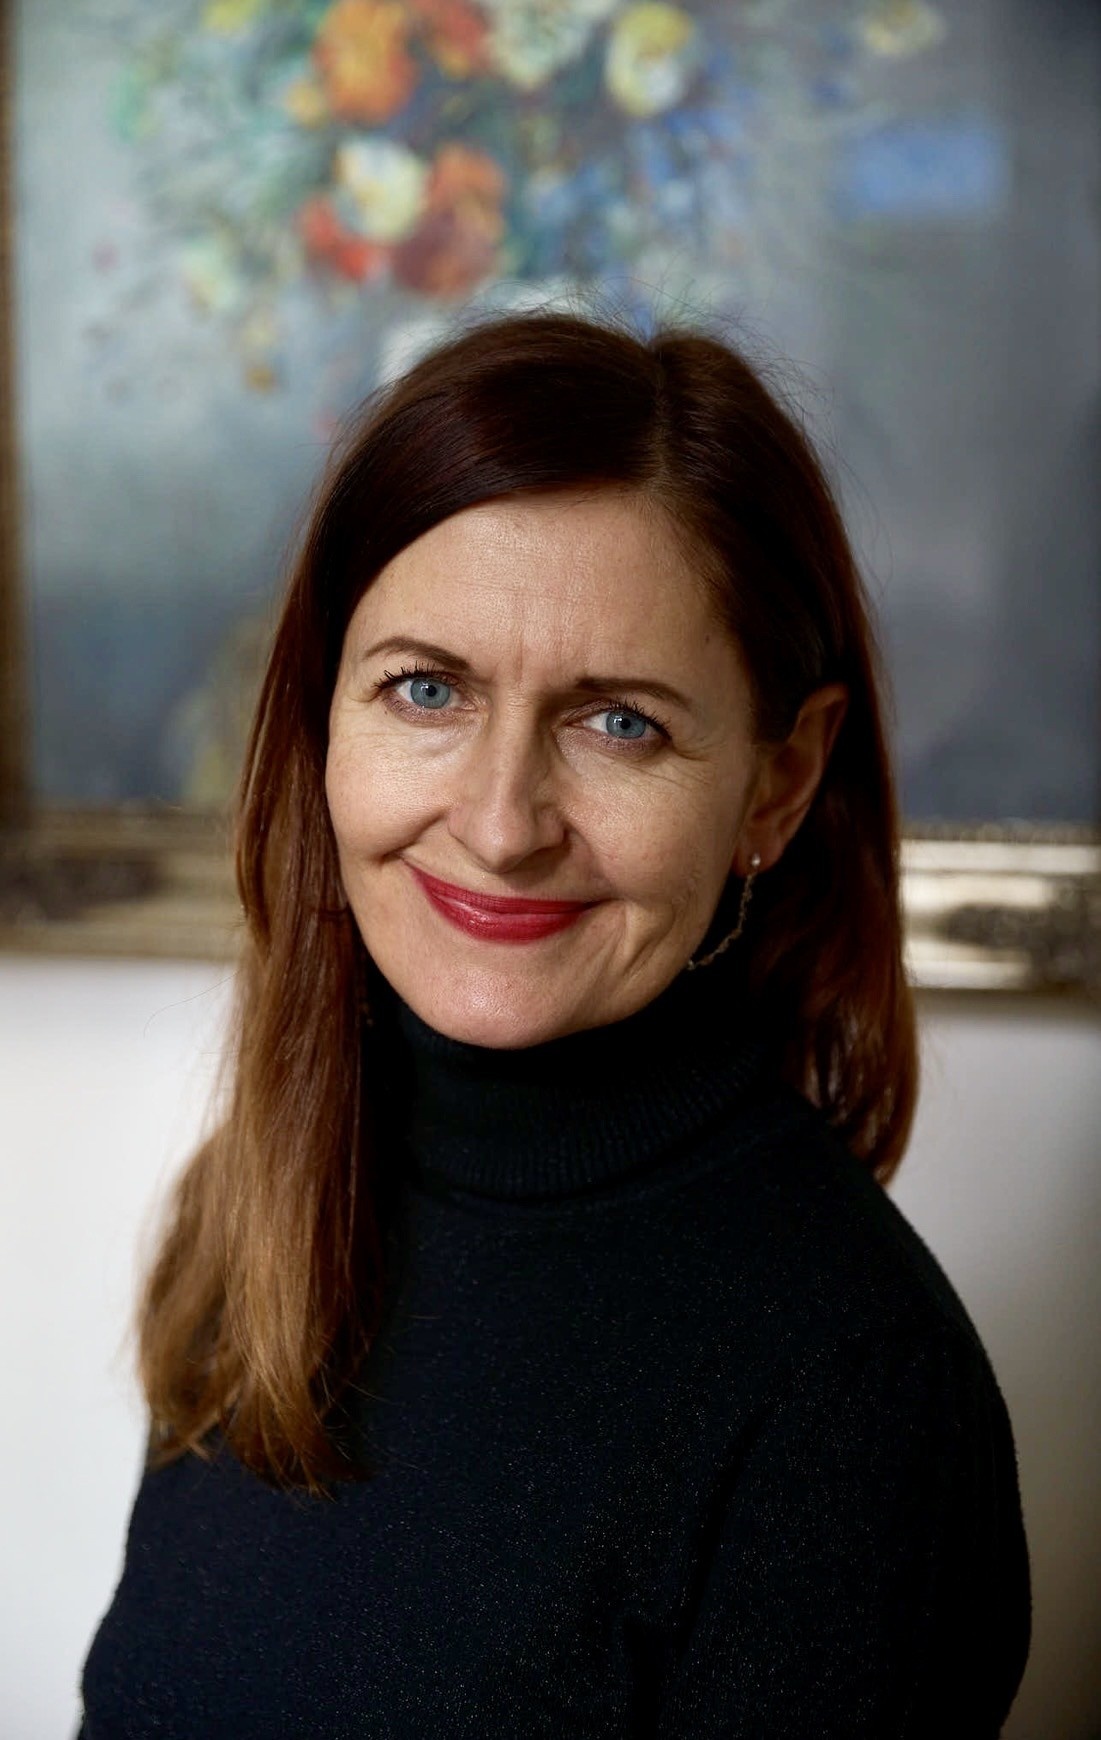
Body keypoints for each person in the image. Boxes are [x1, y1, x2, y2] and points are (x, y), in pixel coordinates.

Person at [77, 310, 1031, 1737]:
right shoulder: (269, 1200)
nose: (502, 823)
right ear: (322, 719)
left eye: (619, 722)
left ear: (776, 786)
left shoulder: (851, 1406)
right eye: (425, 689)